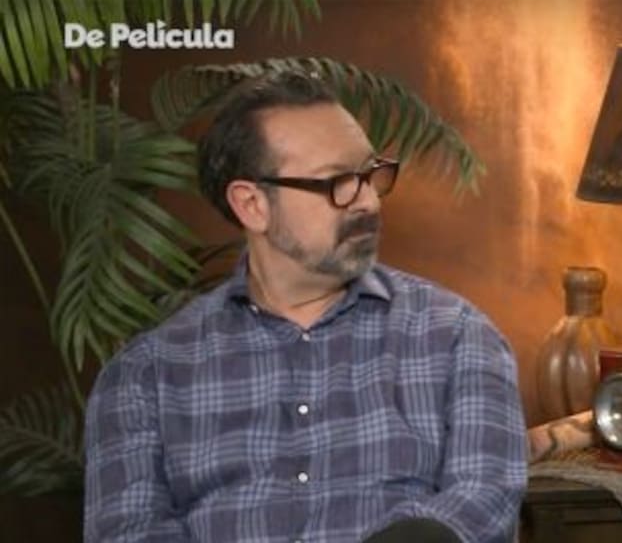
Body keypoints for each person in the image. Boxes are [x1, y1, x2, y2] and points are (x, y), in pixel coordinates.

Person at [84, 71, 526, 542]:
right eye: (338, 182)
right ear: (252, 205)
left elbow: (482, 504)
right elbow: (129, 533)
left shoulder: (456, 337)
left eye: (370, 174)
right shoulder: (146, 375)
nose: (368, 201)